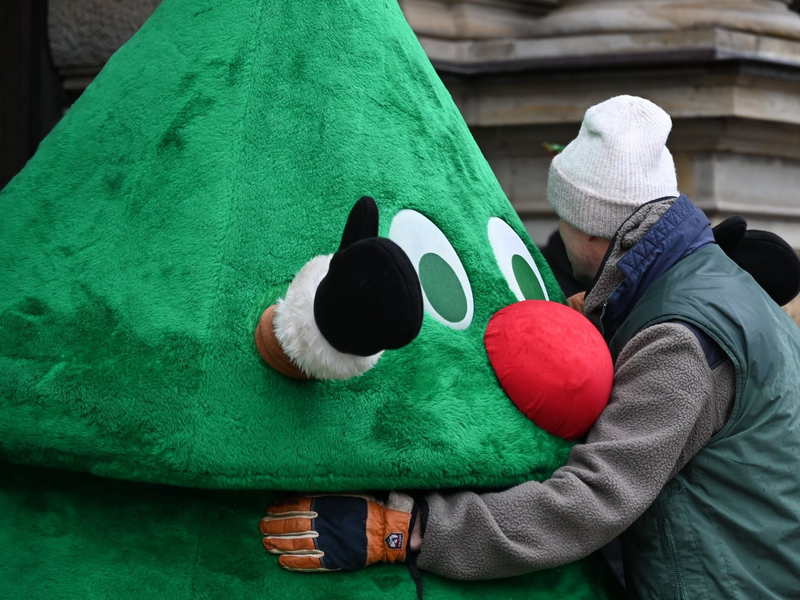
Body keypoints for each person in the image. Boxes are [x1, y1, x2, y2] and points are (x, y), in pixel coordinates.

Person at [261, 96, 800, 598]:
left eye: (562, 217)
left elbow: (593, 500)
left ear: (591, 227)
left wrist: (409, 527)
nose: (558, 232)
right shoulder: (709, 285)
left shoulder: (677, 339)